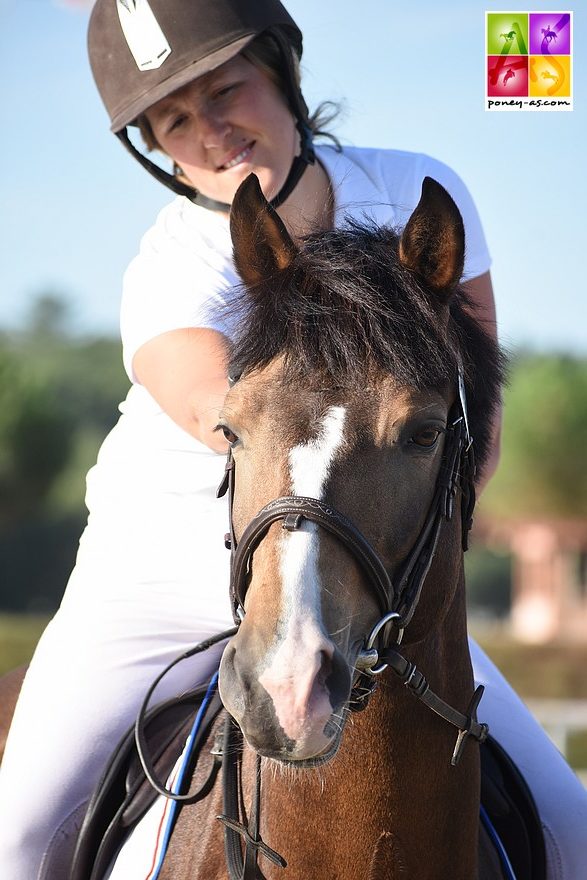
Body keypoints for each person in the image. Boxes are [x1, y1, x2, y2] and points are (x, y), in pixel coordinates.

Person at [0, 2, 585, 878]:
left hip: (371, 562)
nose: (211, 130)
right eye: (175, 120)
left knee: (571, 832)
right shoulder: (168, 269)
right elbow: (229, 416)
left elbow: (473, 414)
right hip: (158, 576)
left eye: (227, 89)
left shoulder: (417, 191)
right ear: (156, 145)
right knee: (18, 836)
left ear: (282, 73)